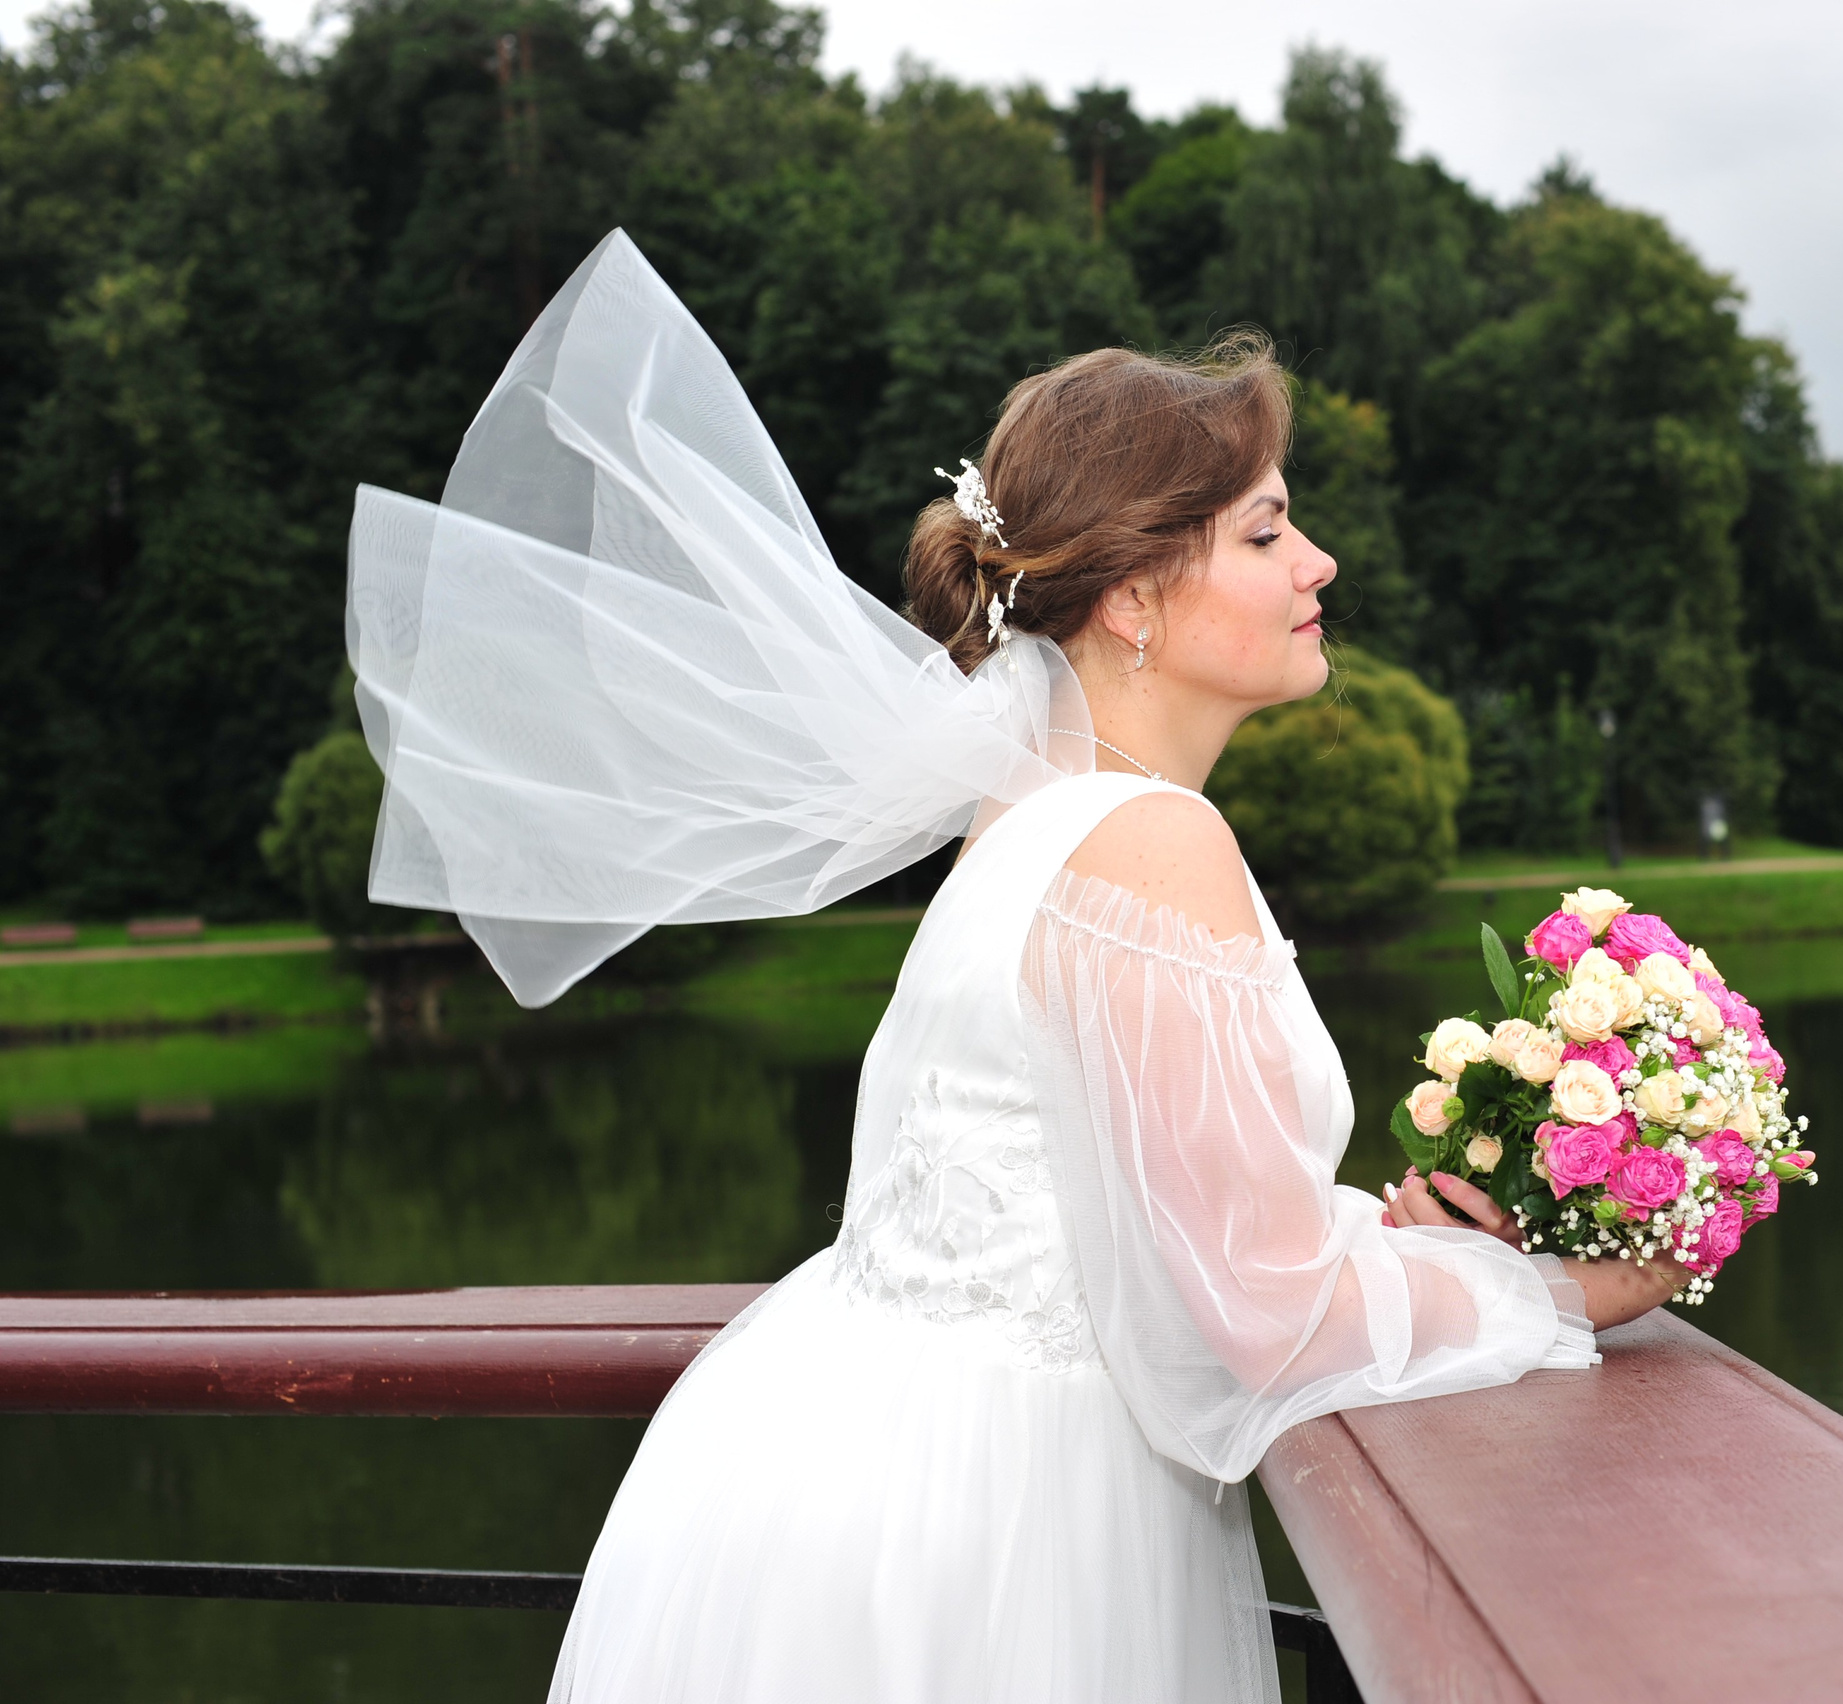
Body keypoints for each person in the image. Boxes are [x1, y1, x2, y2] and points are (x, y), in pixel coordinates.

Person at [345, 233, 1653, 1703]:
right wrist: (1549, 1293)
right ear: (1136, 600)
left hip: (825, 1459)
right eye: (1270, 530)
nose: (1319, 563)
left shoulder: (1021, 815)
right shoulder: (1152, 846)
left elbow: (1134, 1205)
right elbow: (1256, 1319)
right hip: (1006, 1525)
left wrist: (1388, 1238)